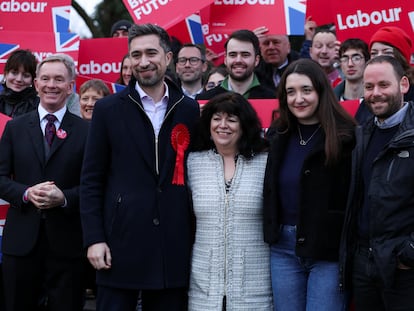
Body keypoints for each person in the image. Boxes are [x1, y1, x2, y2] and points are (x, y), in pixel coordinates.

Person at [80, 23, 200, 311]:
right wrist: (95, 239)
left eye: (150, 53)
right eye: (135, 55)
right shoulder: (108, 109)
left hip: (172, 247)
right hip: (120, 245)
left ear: (168, 58)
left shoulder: (189, 109)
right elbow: (91, 180)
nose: (143, 62)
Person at [263, 58, 356, 311]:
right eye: (290, 92)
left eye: (306, 90)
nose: (298, 99)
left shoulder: (347, 136)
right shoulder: (277, 135)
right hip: (282, 248)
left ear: (321, 91)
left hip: (327, 251)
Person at [0, 53, 89, 311]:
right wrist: (26, 193)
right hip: (21, 243)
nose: (52, 85)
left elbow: (94, 185)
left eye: (59, 79)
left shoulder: (87, 131)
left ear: (70, 86)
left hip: (68, 244)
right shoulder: (14, 128)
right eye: (46, 79)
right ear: (36, 84)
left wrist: (65, 198)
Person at [340, 55, 414, 311]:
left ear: (403, 84)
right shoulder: (361, 133)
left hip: (404, 270)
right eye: (369, 87)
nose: (375, 93)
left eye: (384, 85)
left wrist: (409, 253)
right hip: (363, 263)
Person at [187, 92, 272, 310]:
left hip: (255, 289)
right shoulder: (193, 163)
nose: (222, 125)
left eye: (232, 119)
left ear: (244, 126)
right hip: (203, 289)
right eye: (216, 118)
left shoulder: (266, 162)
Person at [196, 29, 276, 100]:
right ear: (225, 59)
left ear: (256, 60)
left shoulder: (272, 98)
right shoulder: (205, 99)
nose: (238, 60)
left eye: (245, 55)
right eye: (233, 55)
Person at [369, 26, 414, 102]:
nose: (379, 57)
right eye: (374, 53)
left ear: (401, 57)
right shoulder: (367, 91)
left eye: (387, 52)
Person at [334, 38, 370, 124]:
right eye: (345, 58)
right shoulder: (330, 102)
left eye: (356, 58)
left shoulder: (376, 101)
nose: (350, 64)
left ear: (367, 61)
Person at [0, 49, 39, 117]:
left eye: (26, 75)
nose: (19, 79)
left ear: (32, 79)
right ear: (6, 74)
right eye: (14, 73)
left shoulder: (40, 106)